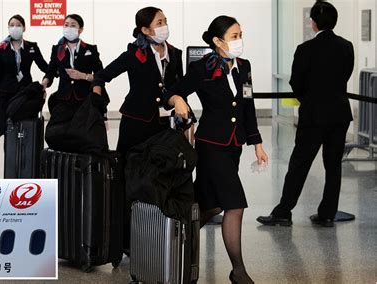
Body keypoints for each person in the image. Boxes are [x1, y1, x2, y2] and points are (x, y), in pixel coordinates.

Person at [167, 16, 268, 283]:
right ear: (217, 41)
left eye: (240, 34)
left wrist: (257, 143)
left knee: (209, 205)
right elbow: (173, 92)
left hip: (233, 145)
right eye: (234, 36)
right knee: (234, 204)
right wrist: (178, 99)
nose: (239, 40)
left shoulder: (244, 66)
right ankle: (239, 271)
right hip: (211, 145)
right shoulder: (202, 68)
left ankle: (172, 240)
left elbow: (247, 105)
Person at [91, 7, 184, 253]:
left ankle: (152, 236)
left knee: (156, 181)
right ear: (145, 29)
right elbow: (102, 75)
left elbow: (178, 89)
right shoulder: (134, 54)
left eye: (165, 20)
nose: (165, 25)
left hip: (162, 128)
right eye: (159, 22)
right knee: (128, 180)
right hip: (135, 125)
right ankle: (124, 240)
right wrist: (97, 101)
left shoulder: (175, 54)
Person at [257, 1, 354, 228]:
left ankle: (284, 211)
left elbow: (296, 83)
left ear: (313, 23)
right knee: (333, 165)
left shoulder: (305, 49)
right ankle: (327, 213)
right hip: (339, 114)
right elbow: (346, 74)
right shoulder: (346, 46)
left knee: (299, 163)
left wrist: (309, 99)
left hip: (313, 116)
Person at [0, 14, 48, 132]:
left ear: (24, 28)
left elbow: (44, 66)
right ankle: (9, 151)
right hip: (5, 93)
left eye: (18, 25)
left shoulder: (32, 47)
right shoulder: (1, 48)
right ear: (8, 28)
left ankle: (25, 151)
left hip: (25, 93)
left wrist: (48, 79)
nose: (15, 27)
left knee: (25, 128)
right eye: (12, 25)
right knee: (7, 129)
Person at [41, 14, 103, 111]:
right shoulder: (57, 49)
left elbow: (100, 75)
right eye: (66, 25)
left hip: (85, 99)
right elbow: (50, 71)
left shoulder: (90, 49)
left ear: (80, 29)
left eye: (73, 25)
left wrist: (83, 76)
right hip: (63, 98)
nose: (68, 28)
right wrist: (44, 83)